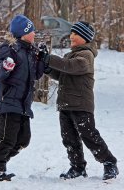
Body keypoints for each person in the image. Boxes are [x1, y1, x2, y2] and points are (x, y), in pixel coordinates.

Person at [41, 21, 119, 180]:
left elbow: (70, 67)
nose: (71, 36)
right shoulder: (70, 55)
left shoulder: (86, 55)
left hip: (81, 105)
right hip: (65, 104)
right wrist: (47, 67)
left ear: (85, 38)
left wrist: (48, 58)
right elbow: (62, 74)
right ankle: (77, 167)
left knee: (89, 135)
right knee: (68, 138)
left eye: (75, 34)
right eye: (71, 33)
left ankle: (109, 163)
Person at [0, 14, 45, 182]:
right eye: (31, 31)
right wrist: (5, 67)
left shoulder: (31, 51)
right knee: (7, 137)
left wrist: (42, 58)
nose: (34, 34)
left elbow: (37, 75)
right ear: (23, 33)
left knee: (23, 140)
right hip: (8, 100)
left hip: (23, 103)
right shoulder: (10, 48)